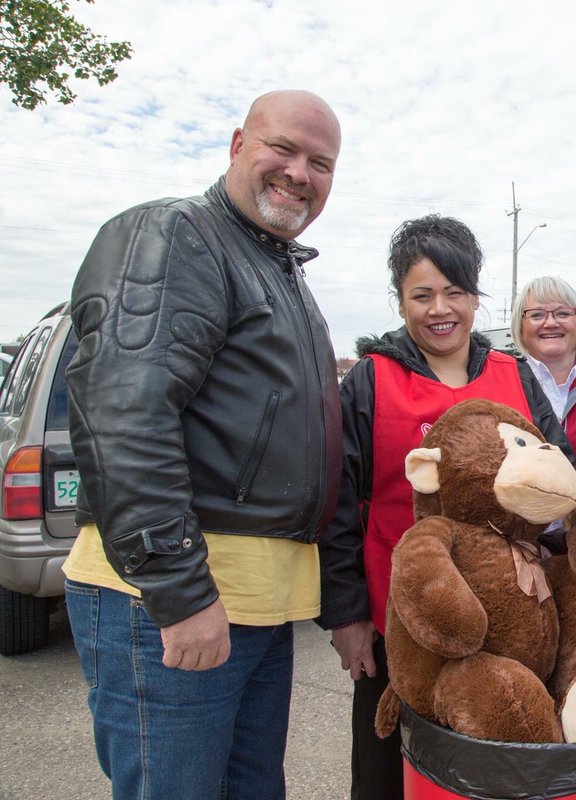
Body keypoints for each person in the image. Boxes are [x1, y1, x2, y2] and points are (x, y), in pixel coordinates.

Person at [63, 90, 343, 800]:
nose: (299, 174)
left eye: (321, 163)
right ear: (236, 144)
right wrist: (180, 591)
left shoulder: (279, 269)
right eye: (283, 149)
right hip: (177, 598)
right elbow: (125, 412)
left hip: (256, 605)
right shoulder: (177, 232)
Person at [317, 214, 569, 800]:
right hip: (396, 620)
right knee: (386, 770)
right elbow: (334, 506)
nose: (440, 309)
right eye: (421, 295)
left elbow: (557, 483)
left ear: (476, 296)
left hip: (510, 624)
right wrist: (347, 617)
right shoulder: (370, 380)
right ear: (399, 299)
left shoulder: (515, 376)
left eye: (454, 292)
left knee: (497, 767)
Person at [510, 275, 576, 464]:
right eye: (537, 315)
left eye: (563, 313)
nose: (551, 322)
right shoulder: (503, 384)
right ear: (520, 326)